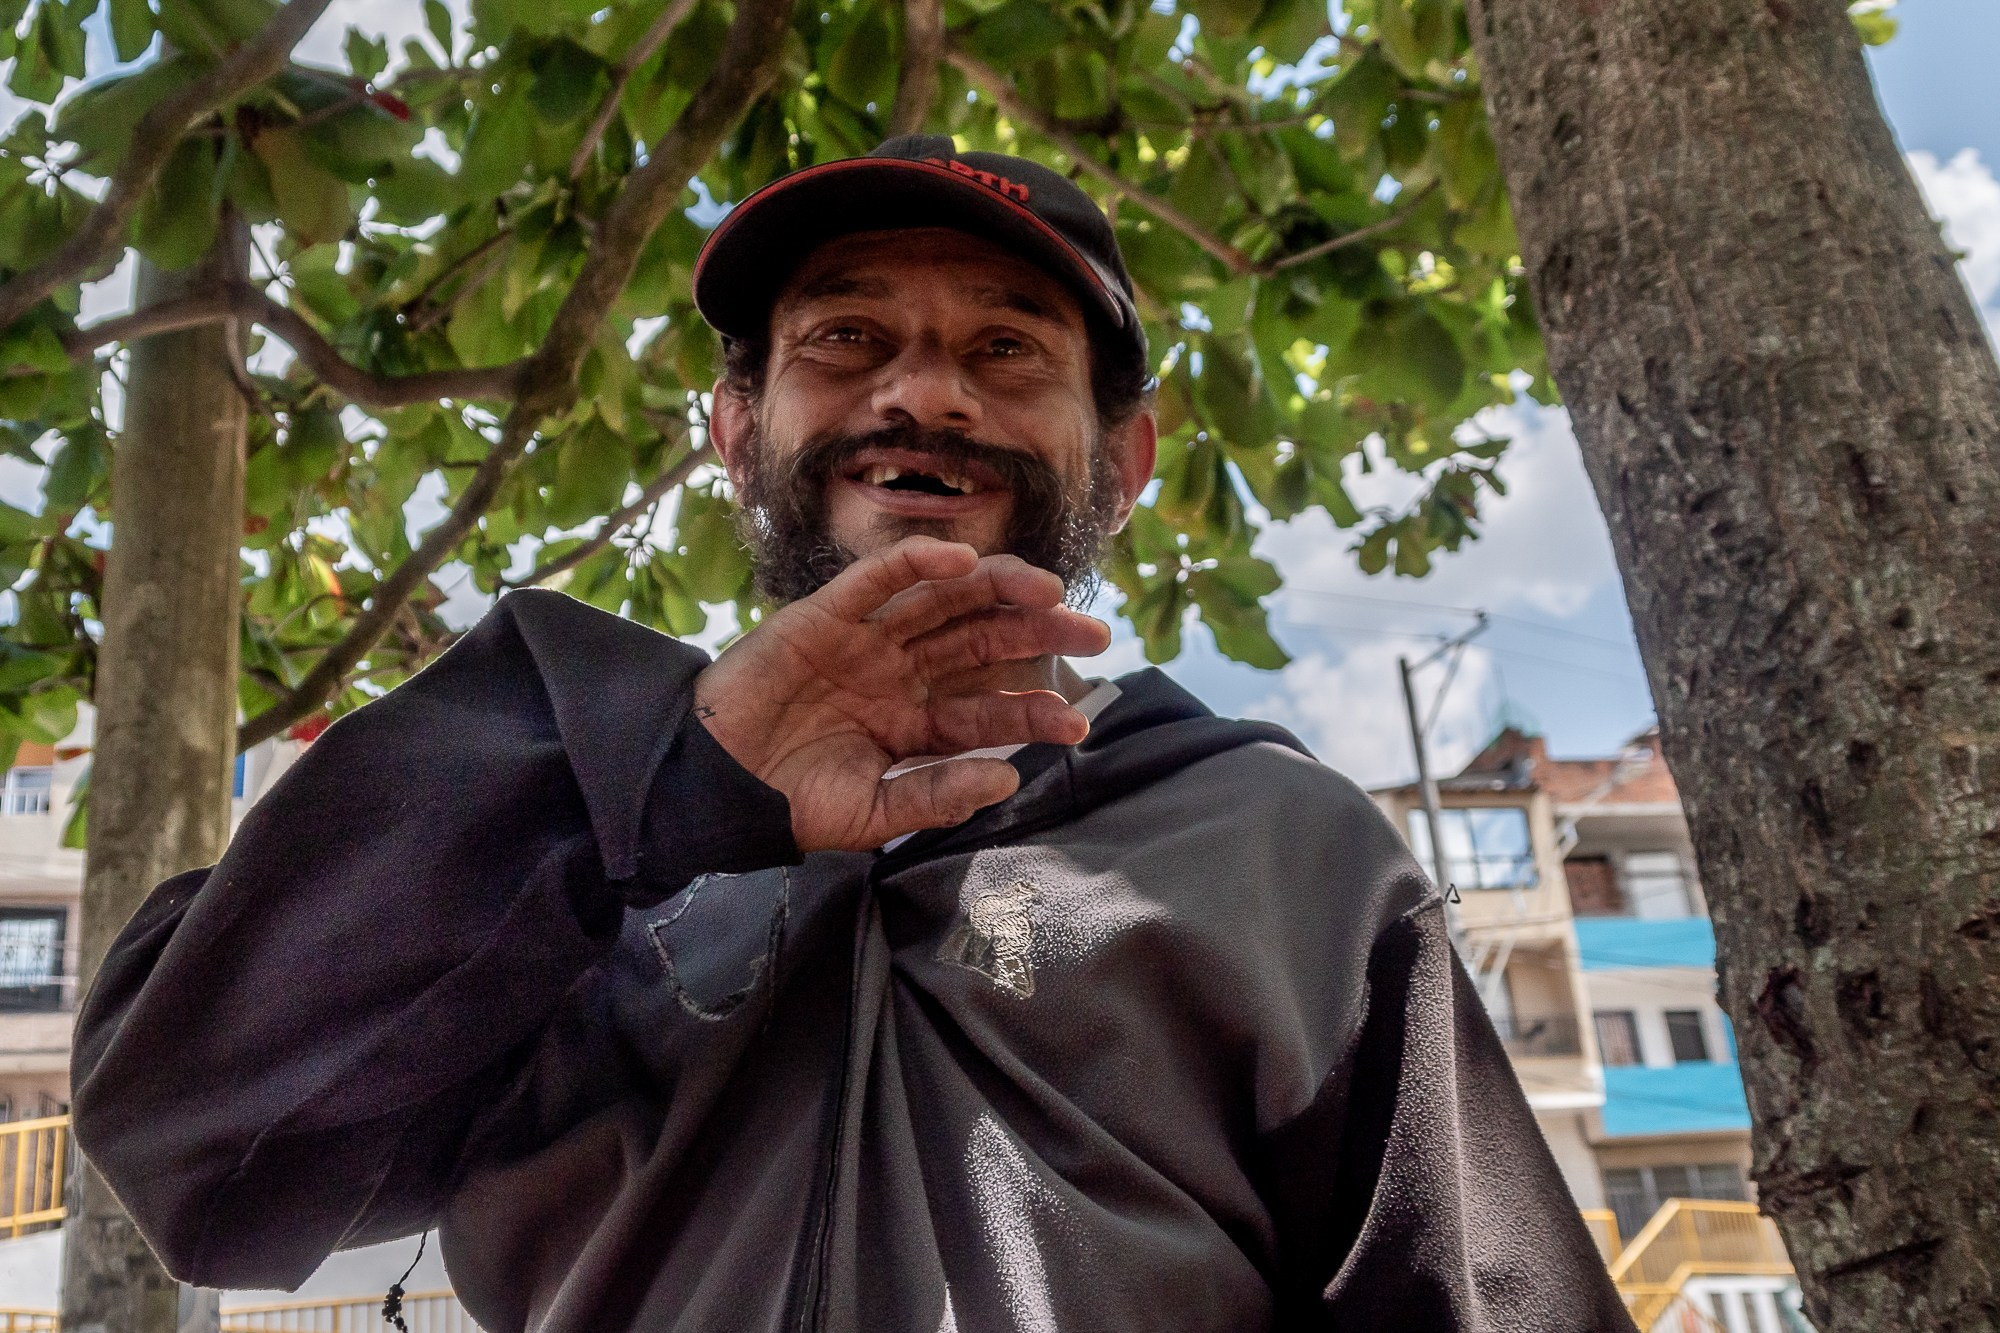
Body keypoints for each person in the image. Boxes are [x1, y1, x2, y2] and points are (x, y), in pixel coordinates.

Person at [71, 136, 1635, 1333]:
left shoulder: (1288, 850)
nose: (923, 393)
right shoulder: (553, 809)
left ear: (1127, 455)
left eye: (1008, 347)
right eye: (844, 339)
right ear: (737, 427)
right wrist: (670, 783)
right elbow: (198, 1153)